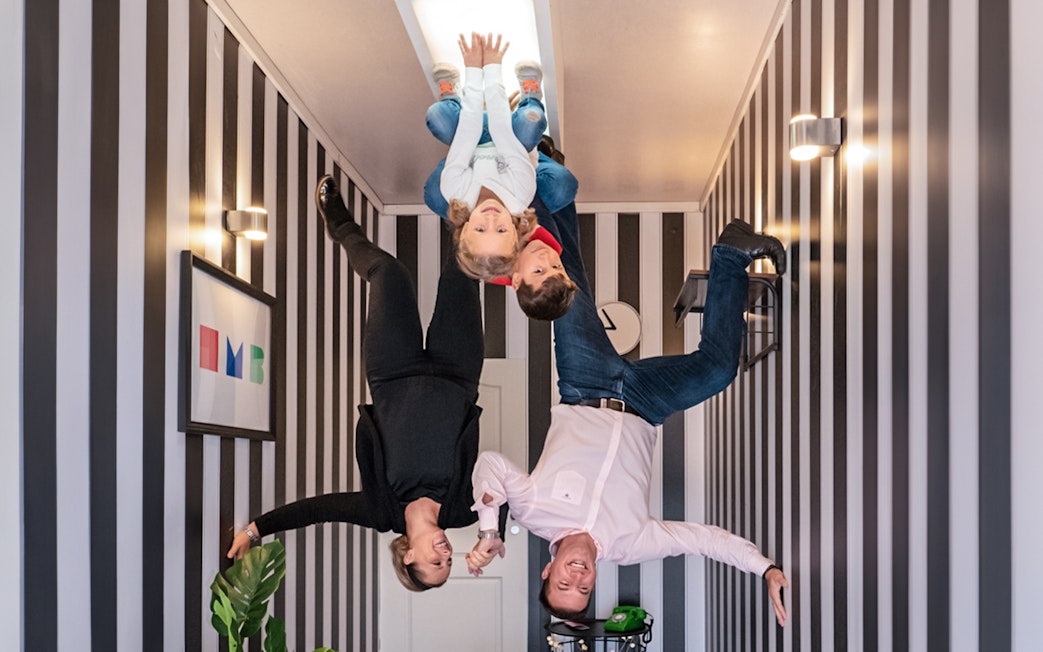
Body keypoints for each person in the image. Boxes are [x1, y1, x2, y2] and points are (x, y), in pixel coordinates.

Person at [465, 203, 790, 626]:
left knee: (568, 273)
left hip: (584, 384)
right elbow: (701, 540)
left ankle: (546, 175)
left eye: (564, 584)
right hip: (647, 403)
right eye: (584, 589)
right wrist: (762, 567)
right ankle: (731, 252)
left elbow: (489, 464)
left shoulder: (532, 512)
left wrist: (489, 529)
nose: (578, 578)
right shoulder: (631, 545)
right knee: (718, 369)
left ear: (548, 570)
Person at [227, 175, 491, 592]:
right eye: (448, 561)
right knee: (463, 267)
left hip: (392, 371)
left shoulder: (379, 511)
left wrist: (257, 529)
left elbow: (318, 510)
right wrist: (491, 534)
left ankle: (341, 226)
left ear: (408, 555)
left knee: (388, 272)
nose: (445, 552)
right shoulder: (464, 510)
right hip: (457, 373)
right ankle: (470, 185)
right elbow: (515, 493)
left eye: (433, 562)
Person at [425, 32, 549, 281]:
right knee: (530, 123)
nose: (491, 218)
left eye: (481, 229)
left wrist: (473, 69)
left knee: (437, 116)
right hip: (510, 138)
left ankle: (452, 97)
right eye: (501, 229)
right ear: (516, 233)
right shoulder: (521, 192)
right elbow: (503, 133)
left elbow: (466, 134)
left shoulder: (454, 192)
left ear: (463, 231)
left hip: (473, 138)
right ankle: (529, 97)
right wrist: (492, 67)